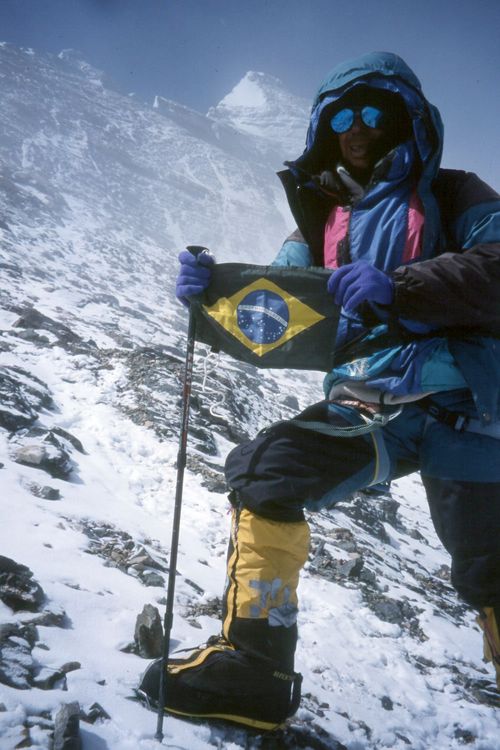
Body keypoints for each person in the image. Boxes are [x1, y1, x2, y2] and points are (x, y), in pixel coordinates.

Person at [140, 51, 500, 728]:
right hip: (369, 406)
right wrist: (210, 292)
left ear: (408, 121)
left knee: (491, 570)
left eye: (373, 112)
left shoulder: (458, 196)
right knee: (268, 470)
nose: (356, 129)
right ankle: (255, 670)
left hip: (469, 406)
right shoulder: (318, 224)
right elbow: (275, 306)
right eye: (340, 117)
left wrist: (403, 287)